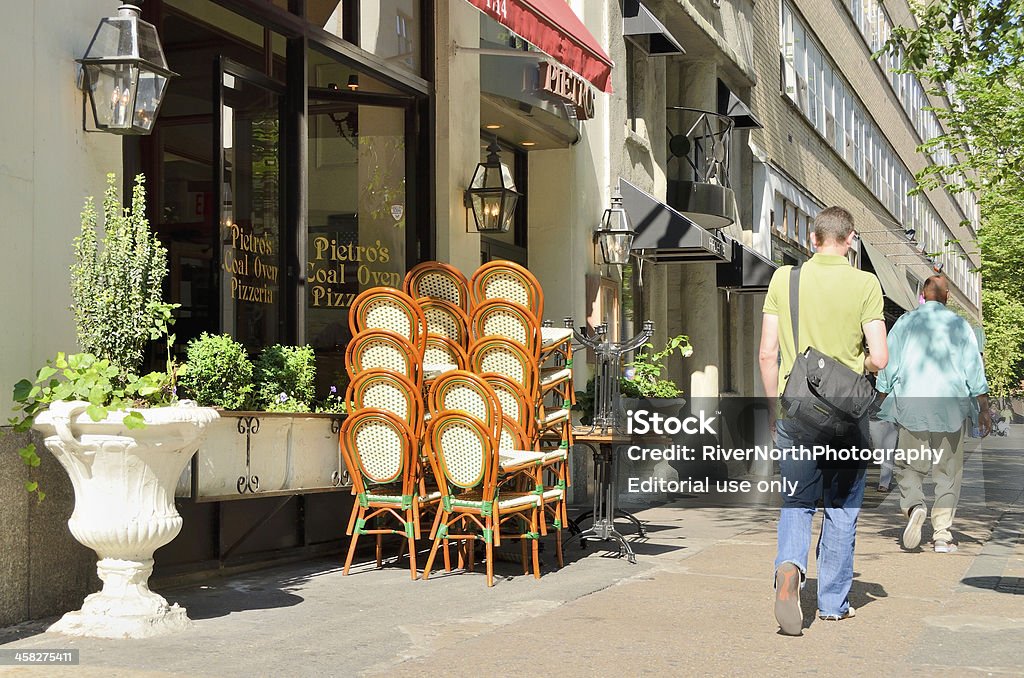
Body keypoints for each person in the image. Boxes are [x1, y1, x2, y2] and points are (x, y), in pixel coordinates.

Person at [759, 207, 888, 636]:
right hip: (848, 420)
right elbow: (880, 357)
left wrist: (770, 405)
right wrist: (861, 364)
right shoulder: (866, 283)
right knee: (842, 509)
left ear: (812, 239)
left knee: (796, 504)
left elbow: (767, 353)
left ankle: (790, 571)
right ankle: (833, 602)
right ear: (850, 239)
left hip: (796, 415)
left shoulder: (784, 279)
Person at [877, 275, 990, 553]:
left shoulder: (905, 323)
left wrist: (879, 397)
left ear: (922, 296)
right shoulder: (961, 326)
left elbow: (888, 365)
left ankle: (915, 505)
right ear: (947, 297)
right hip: (950, 409)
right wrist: (984, 409)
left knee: (908, 467)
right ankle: (942, 535)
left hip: (912, 406)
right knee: (948, 473)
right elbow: (974, 371)